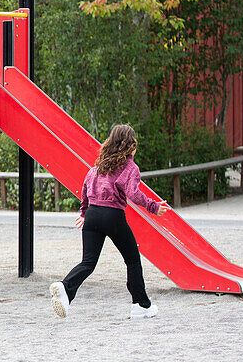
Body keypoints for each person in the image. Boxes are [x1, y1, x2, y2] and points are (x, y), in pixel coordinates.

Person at [50, 124, 173, 319]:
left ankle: (66, 288)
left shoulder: (98, 166)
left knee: (88, 262)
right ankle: (140, 305)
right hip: (112, 216)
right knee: (132, 260)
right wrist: (153, 207)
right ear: (131, 145)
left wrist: (84, 212)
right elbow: (133, 193)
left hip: (92, 215)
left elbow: (85, 189)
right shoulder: (130, 167)